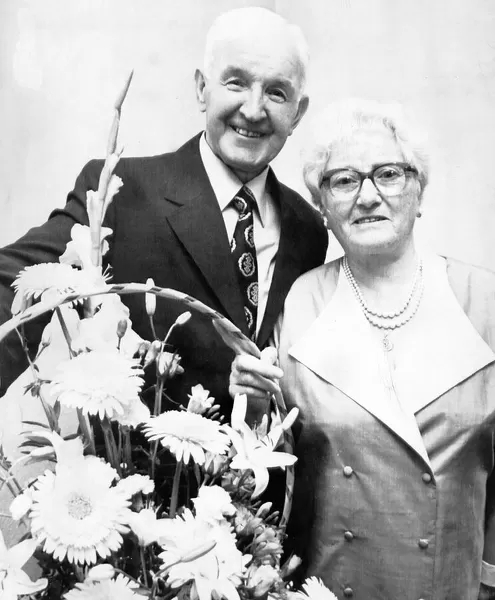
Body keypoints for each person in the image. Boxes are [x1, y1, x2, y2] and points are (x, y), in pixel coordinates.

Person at [0, 7, 328, 413]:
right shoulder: (120, 193)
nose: (254, 109)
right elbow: (17, 288)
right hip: (139, 470)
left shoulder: (309, 230)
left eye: (276, 92)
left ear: (298, 112)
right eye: (236, 83)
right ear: (200, 89)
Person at [229, 99, 495, 600]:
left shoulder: (484, 303)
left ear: (420, 193)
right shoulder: (300, 302)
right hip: (330, 585)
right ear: (324, 209)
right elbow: (272, 471)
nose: (368, 196)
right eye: (344, 181)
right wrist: (254, 406)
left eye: (389, 174)